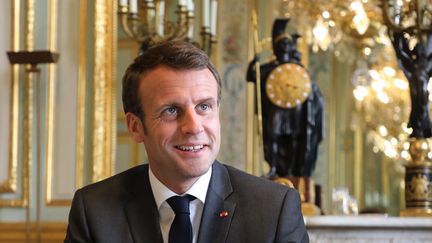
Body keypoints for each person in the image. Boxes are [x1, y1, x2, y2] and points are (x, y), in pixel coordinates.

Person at [64, 40, 309, 243]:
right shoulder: (94, 212)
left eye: (204, 107)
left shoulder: (274, 209)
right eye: (171, 110)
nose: (193, 127)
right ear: (136, 127)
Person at [246, 18, 323, 178]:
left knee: (294, 138)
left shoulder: (298, 68)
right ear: (277, 48)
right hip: (277, 108)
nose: (284, 47)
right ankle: (273, 168)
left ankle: (290, 171)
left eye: (286, 44)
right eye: (281, 45)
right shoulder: (270, 67)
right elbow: (251, 76)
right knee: (273, 136)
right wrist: (254, 62)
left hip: (295, 109)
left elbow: (307, 86)